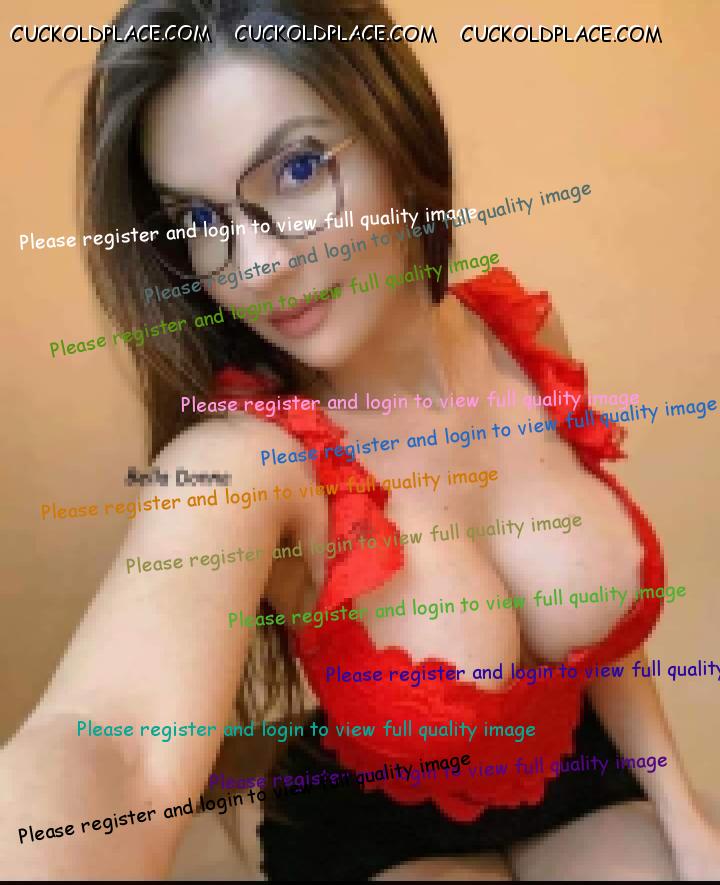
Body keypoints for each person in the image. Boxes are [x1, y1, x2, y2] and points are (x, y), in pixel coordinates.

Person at [2, 0, 718, 880]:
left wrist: (682, 812)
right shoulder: (244, 460)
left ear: (395, 130)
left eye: (298, 169)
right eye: (200, 220)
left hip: (579, 780)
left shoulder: (521, 337)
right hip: (377, 832)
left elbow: (598, 639)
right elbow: (118, 741)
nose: (255, 267)